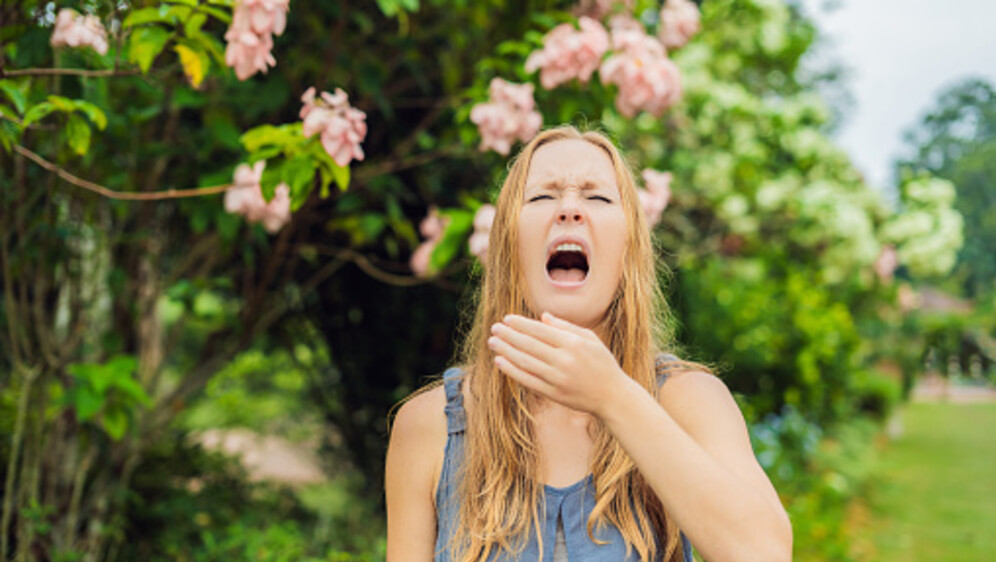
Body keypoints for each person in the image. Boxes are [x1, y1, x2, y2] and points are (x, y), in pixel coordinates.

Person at [385, 126, 792, 562]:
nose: (570, 209)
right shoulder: (430, 425)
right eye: (543, 196)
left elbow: (765, 553)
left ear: (627, 250)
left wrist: (613, 396)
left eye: (597, 198)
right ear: (508, 244)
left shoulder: (688, 401)